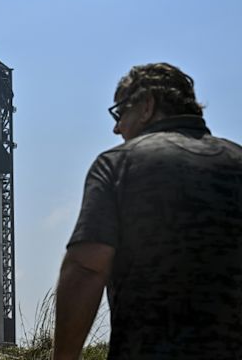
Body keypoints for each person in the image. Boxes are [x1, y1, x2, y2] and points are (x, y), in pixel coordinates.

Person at [53, 63, 242, 359]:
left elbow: (86, 267)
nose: (116, 127)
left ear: (146, 106)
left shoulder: (119, 164)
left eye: (119, 113)